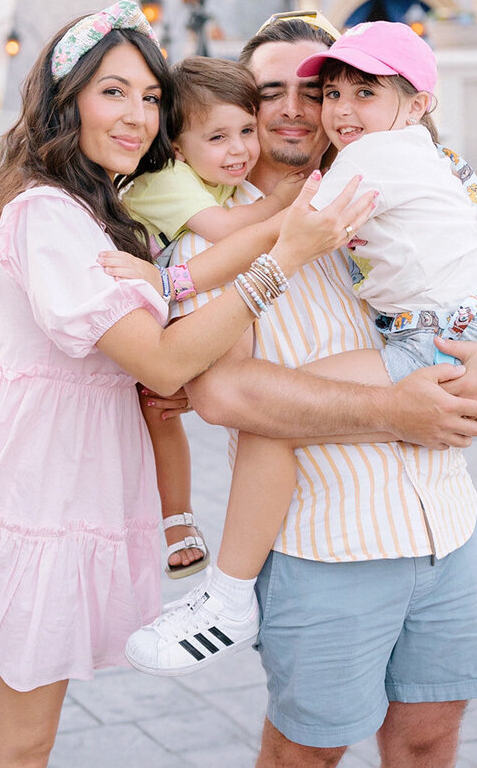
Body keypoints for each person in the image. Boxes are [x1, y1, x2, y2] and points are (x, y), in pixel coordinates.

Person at [0, 0, 376, 768]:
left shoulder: (102, 209)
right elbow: (162, 360)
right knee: (21, 740)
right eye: (112, 92)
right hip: (36, 490)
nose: (137, 116)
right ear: (65, 99)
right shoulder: (48, 213)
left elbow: (167, 333)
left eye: (150, 98)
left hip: (62, 478)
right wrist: (283, 258)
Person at [125, 13, 477, 768]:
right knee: (306, 754)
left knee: (429, 740)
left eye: (316, 89)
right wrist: (397, 409)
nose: (298, 107)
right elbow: (226, 395)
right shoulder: (208, 241)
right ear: (240, 104)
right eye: (270, 91)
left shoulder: (392, 195)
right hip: (327, 547)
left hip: (447, 531)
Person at [122, 56, 303, 578]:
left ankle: (185, 520)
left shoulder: (216, 176)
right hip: (141, 318)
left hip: (170, 310)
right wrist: (285, 204)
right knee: (159, 414)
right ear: (177, 146)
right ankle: (177, 520)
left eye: (247, 130)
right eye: (218, 137)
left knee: (163, 412)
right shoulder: (166, 178)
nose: (240, 149)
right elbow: (226, 230)